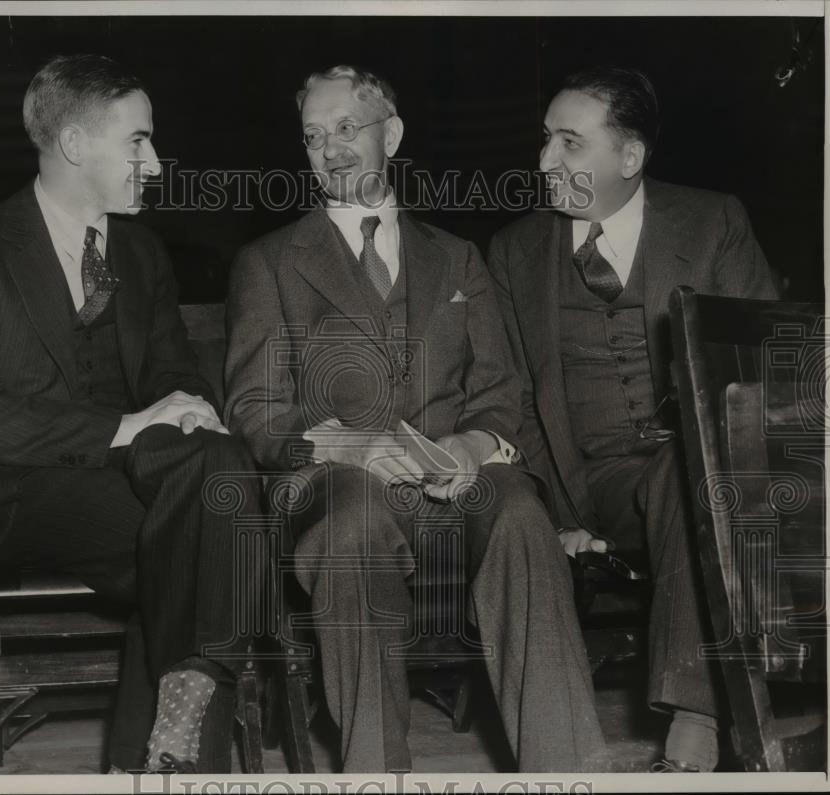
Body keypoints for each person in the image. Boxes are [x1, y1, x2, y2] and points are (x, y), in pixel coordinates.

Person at [225, 64, 608, 773]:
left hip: (451, 490)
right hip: (336, 491)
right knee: (354, 527)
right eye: (314, 136)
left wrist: (469, 443)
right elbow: (253, 410)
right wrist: (351, 445)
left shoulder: (459, 258)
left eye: (347, 128)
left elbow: (501, 392)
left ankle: (565, 770)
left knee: (520, 511)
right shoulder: (268, 263)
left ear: (391, 134)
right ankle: (376, 772)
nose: (331, 149)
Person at [0, 54, 259, 774]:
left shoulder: (142, 251)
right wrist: (122, 428)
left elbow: (170, 372)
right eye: (138, 141)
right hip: (0, 493)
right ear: (74, 146)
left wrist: (191, 410)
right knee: (213, 532)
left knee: (215, 481)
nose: (156, 163)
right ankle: (176, 761)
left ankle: (167, 748)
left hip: (113, 488)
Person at [488, 66, 778, 773]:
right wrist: (551, 510)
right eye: (545, 141)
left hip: (707, 466)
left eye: (568, 143)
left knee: (698, 470)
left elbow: (765, 363)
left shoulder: (712, 223)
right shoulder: (513, 252)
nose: (544, 161)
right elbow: (514, 396)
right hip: (595, 481)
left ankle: (692, 731)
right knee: (693, 476)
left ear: (629, 157)